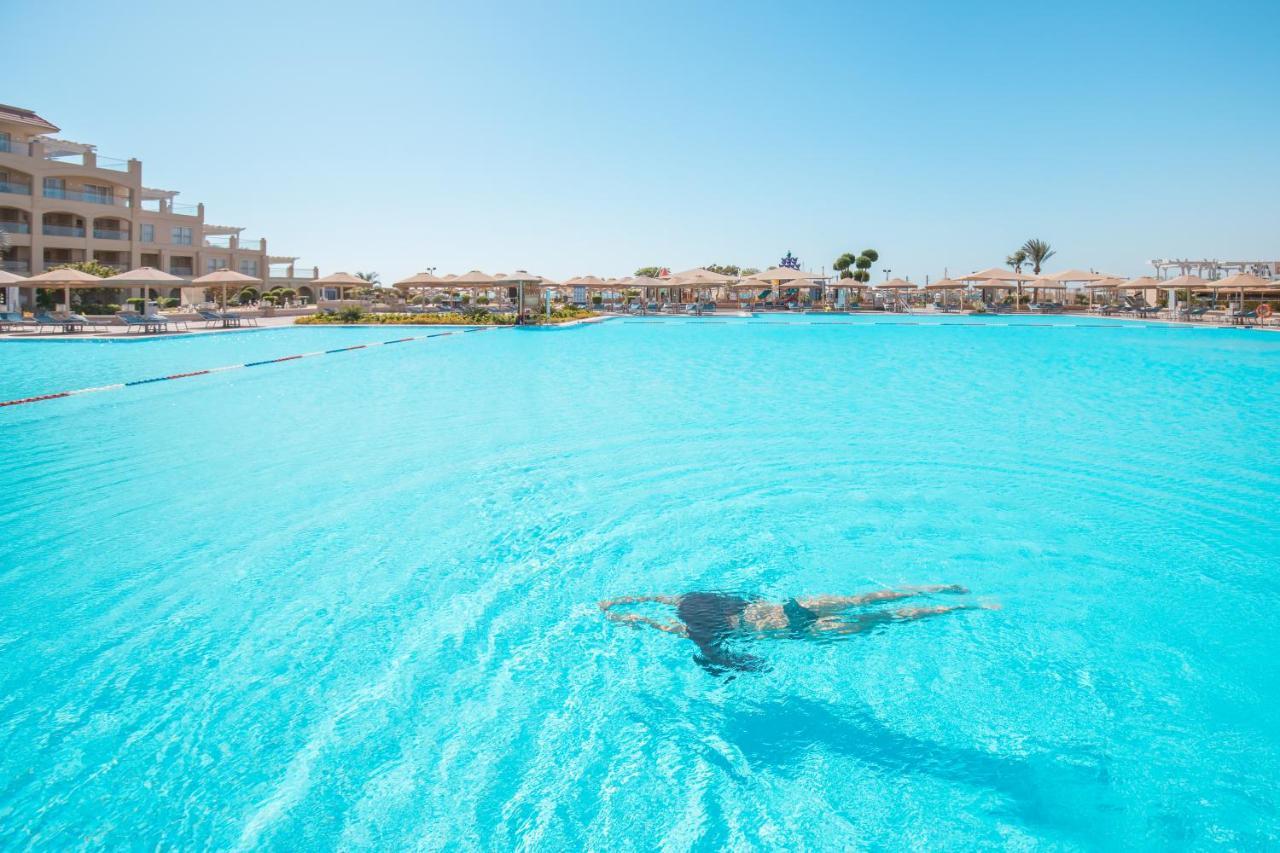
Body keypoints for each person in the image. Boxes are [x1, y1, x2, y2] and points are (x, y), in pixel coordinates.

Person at [599, 586, 996, 674]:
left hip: (796, 632)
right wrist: (617, 602)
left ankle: (958, 606)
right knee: (869, 601)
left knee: (883, 619)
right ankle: (945, 593)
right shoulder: (698, 603)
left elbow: (648, 620)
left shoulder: (694, 630)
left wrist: (613, 614)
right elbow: (658, 600)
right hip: (794, 608)